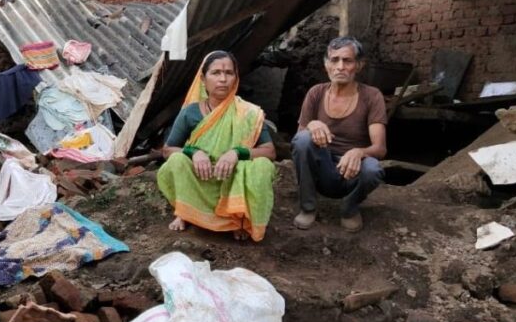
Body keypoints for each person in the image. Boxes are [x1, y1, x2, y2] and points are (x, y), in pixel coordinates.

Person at [157, 50, 277, 241]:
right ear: (203, 79)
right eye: (216, 73)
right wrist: (194, 152)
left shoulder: (248, 113)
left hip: (232, 178)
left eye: (229, 73)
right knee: (177, 160)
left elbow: (269, 151)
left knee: (263, 166)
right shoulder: (190, 112)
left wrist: (237, 153)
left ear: (236, 78)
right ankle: (186, 212)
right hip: (200, 176)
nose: (223, 79)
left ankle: (238, 218)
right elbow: (168, 150)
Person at [292, 37, 387, 232]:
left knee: (372, 169)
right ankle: (308, 208)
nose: (340, 66)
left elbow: (380, 148)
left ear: (359, 65)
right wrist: (312, 124)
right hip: (321, 169)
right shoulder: (316, 93)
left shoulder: (372, 96)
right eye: (334, 60)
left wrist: (358, 152)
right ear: (326, 65)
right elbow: (298, 140)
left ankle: (349, 208)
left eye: (347, 61)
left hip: (351, 172)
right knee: (303, 139)